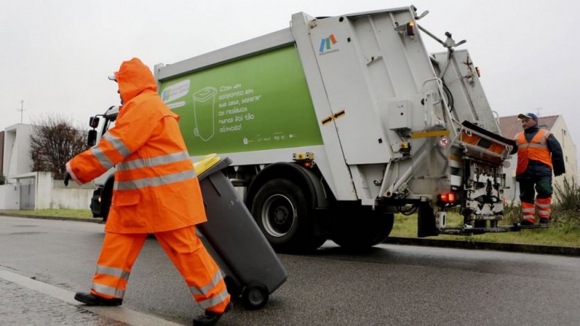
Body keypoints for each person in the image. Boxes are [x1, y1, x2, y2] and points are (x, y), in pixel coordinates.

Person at [64, 58, 231, 326]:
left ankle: (218, 302)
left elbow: (114, 147)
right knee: (118, 239)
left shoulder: (143, 107)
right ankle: (106, 292)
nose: (117, 89)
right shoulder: (142, 106)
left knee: (184, 249)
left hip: (163, 197)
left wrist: (76, 168)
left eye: (119, 83)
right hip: (144, 197)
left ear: (131, 82)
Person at [514, 112, 565, 226]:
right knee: (526, 195)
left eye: (526, 121)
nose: (524, 123)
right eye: (522, 121)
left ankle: (544, 218)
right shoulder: (517, 137)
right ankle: (528, 220)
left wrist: (558, 168)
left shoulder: (546, 134)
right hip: (524, 170)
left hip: (542, 169)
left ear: (535, 121)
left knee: (545, 191)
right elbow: (509, 149)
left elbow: (557, 150)